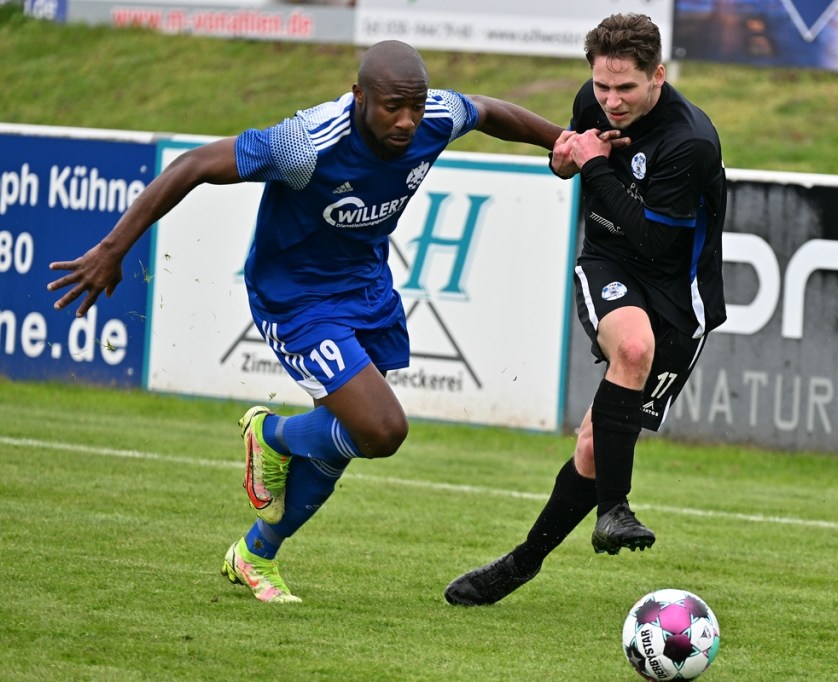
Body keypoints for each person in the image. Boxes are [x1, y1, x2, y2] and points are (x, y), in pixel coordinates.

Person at [47, 40, 572, 604]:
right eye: (392, 107)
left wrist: (563, 141)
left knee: (343, 440)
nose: (407, 120)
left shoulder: (435, 117)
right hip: (295, 298)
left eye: (415, 107)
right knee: (382, 430)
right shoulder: (305, 143)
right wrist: (112, 250)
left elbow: (488, 110)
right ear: (358, 96)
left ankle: (255, 554)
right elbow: (193, 165)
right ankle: (271, 433)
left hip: (367, 285)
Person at [444, 13, 727, 606]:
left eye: (626, 88)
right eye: (602, 86)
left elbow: (655, 242)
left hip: (679, 291)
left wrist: (593, 163)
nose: (611, 101)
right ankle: (615, 510)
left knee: (596, 450)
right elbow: (564, 162)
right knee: (633, 347)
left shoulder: (690, 142)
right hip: (609, 263)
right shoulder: (590, 101)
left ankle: (521, 563)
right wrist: (569, 158)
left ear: (658, 76)